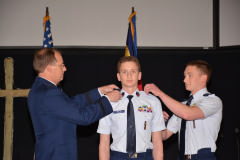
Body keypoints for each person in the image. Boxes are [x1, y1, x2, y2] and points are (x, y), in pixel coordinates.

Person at [28, 48, 122, 160]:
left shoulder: (40, 89)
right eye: (61, 65)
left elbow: (70, 104)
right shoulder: (48, 92)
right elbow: (83, 117)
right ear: (49, 69)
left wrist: (99, 92)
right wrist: (108, 100)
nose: (65, 68)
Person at [144, 60, 222, 160]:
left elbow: (187, 114)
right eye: (185, 76)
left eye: (189, 75)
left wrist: (160, 93)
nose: (185, 80)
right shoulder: (182, 105)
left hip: (202, 157)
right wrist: (157, 121)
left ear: (203, 78)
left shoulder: (213, 101)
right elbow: (165, 135)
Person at [97, 56, 165, 160]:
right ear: (118, 76)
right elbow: (104, 144)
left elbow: (157, 143)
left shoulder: (153, 101)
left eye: (133, 71)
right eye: (124, 72)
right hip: (118, 156)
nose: (129, 75)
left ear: (139, 75)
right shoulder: (109, 102)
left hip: (145, 156)